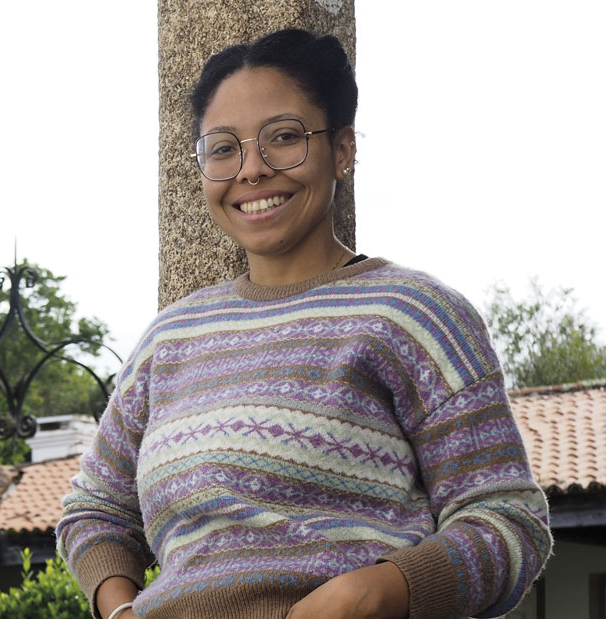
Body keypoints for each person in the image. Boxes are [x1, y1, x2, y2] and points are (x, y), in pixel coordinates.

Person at [56, 28, 551, 619]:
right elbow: (96, 510)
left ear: (342, 149)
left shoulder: (414, 315)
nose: (253, 170)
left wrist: (370, 594)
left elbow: (509, 521)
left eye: (284, 138)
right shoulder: (170, 339)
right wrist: (119, 611)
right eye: (222, 148)